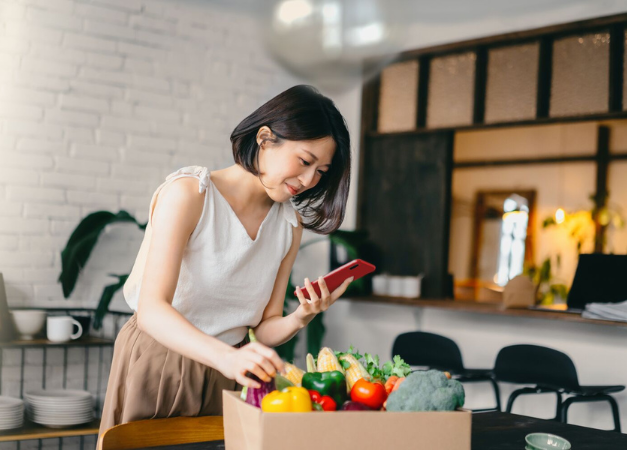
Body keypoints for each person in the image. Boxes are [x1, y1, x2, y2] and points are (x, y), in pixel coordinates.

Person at [99, 85, 353, 434]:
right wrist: (227, 357)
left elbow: (264, 328)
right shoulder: (190, 194)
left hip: (231, 372)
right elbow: (151, 310)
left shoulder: (288, 226)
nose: (309, 181)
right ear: (265, 138)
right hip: (162, 360)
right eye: (305, 161)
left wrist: (301, 316)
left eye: (321, 172)